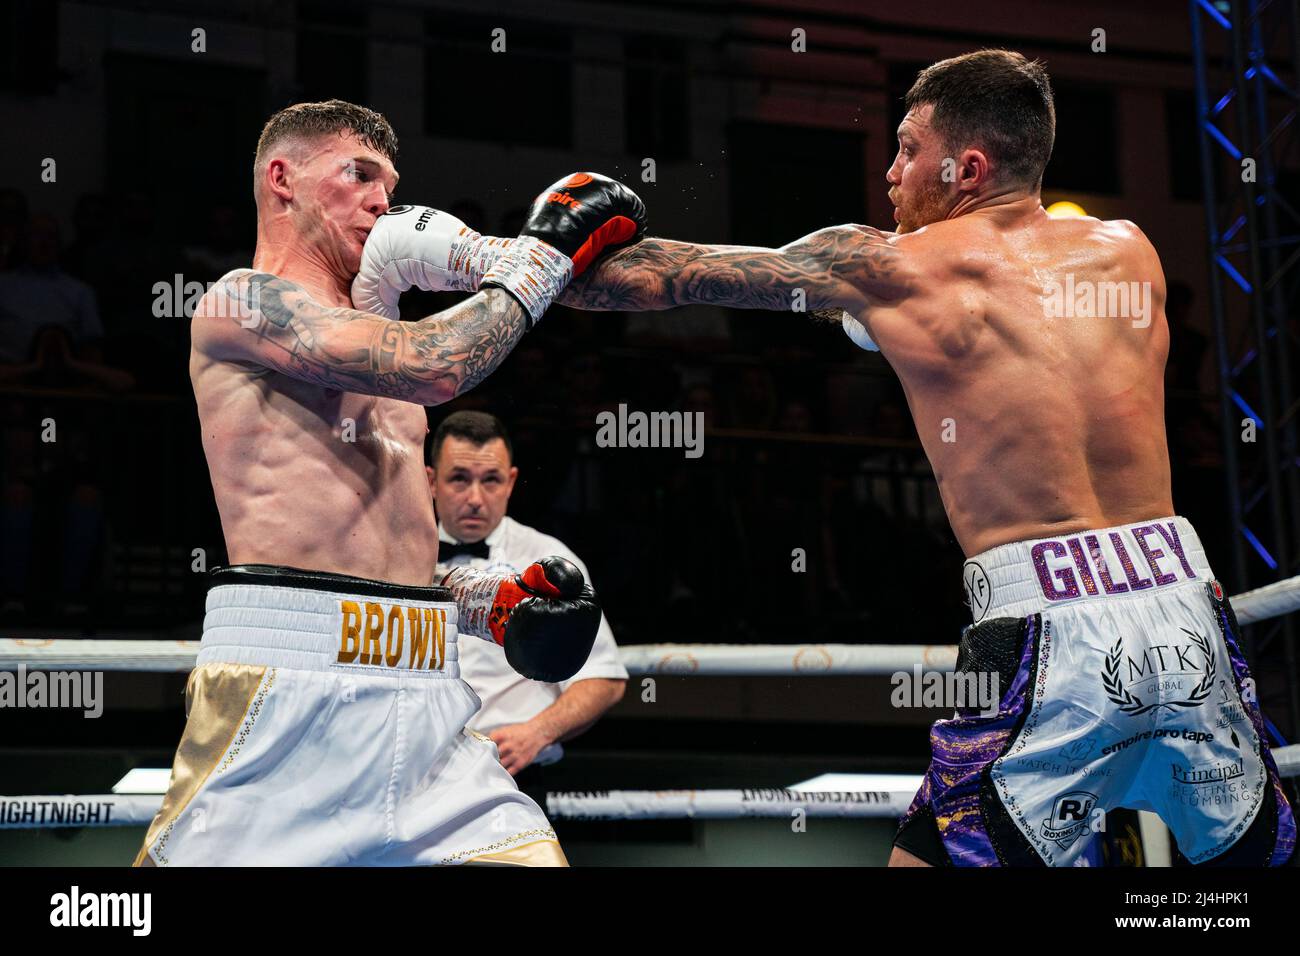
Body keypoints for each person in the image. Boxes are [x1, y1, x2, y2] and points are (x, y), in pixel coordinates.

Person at [356, 51, 1294, 867]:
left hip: (1049, 625)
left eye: (907, 149)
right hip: (1188, 599)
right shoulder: (1128, 251)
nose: (889, 172)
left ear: (967, 166)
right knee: (1247, 861)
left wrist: (506, 250)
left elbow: (656, 280)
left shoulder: (887, 266)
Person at [135, 99, 644, 867]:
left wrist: (478, 601)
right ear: (282, 179)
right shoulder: (241, 304)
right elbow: (436, 366)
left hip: (429, 706)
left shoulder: (379, 329)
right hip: (284, 705)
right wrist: (539, 257)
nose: (383, 199)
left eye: (390, 181)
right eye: (359, 174)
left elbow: (377, 556)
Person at [428, 411, 627, 807]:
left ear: (511, 482)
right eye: (459, 479)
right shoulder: (395, 557)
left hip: (510, 776)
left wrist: (538, 731)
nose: (474, 498)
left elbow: (604, 679)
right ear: (431, 480)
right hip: (414, 775)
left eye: (490, 480)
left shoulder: (549, 562)